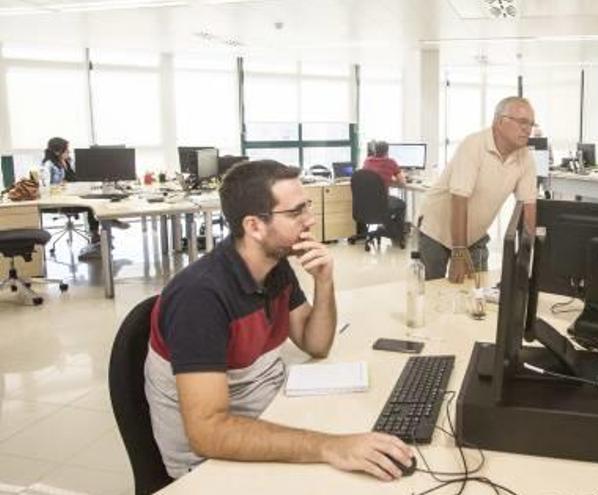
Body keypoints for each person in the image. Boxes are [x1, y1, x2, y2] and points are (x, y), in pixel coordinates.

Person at [144, 160, 414, 480]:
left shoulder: (275, 265)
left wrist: (324, 281)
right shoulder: (199, 298)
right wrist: (329, 446)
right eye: (296, 212)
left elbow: (316, 344)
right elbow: (208, 434)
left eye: (307, 206)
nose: (310, 219)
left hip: (271, 413)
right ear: (255, 227)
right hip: (209, 464)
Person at [418, 96, 538, 281]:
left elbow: (528, 207)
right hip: (437, 229)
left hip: (474, 235)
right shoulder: (474, 145)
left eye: (531, 124)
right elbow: (459, 199)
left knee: (477, 292)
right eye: (522, 122)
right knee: (435, 291)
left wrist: (528, 255)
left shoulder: (526, 158)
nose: (528, 129)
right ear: (499, 121)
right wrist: (459, 252)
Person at [41, 137, 103, 259]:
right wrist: (61, 185)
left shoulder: (66, 161)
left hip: (72, 195)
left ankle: (100, 229)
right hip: (60, 200)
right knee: (91, 205)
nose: (68, 152)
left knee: (94, 199)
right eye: (66, 150)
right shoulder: (49, 165)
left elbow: (75, 178)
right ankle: (95, 233)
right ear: (57, 151)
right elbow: (47, 186)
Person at [361, 140, 406, 237]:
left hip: (366, 202)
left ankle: (389, 227)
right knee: (402, 204)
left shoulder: (367, 161)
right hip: (382, 201)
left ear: (374, 150)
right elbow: (402, 182)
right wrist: (391, 179)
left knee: (389, 203)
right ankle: (397, 233)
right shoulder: (390, 162)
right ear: (387, 151)